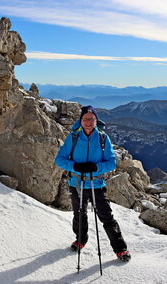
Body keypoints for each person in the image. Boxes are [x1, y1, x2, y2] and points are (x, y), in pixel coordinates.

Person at [55, 105, 131, 262]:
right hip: (77, 184)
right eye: (85, 119)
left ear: (96, 121)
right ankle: (81, 240)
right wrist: (74, 166)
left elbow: (112, 162)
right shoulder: (73, 138)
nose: (88, 122)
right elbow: (59, 159)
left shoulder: (103, 138)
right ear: (81, 121)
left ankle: (120, 248)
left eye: (91, 119)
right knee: (79, 215)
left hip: (97, 185)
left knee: (107, 217)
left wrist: (96, 168)